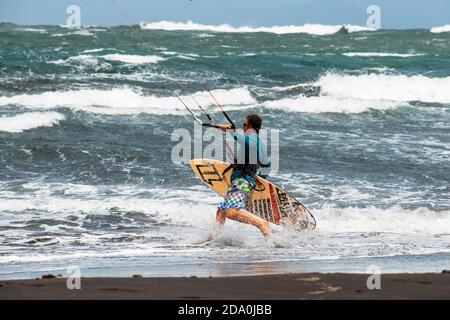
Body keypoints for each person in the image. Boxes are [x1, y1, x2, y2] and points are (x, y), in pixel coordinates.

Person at [208, 114, 271, 240]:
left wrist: (231, 131)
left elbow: (247, 143)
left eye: (244, 125)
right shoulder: (261, 144)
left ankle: (261, 224)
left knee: (230, 211)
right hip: (245, 180)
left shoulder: (253, 140)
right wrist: (260, 180)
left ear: (250, 126)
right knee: (221, 210)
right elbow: (267, 165)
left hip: (243, 181)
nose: (243, 127)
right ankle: (213, 239)